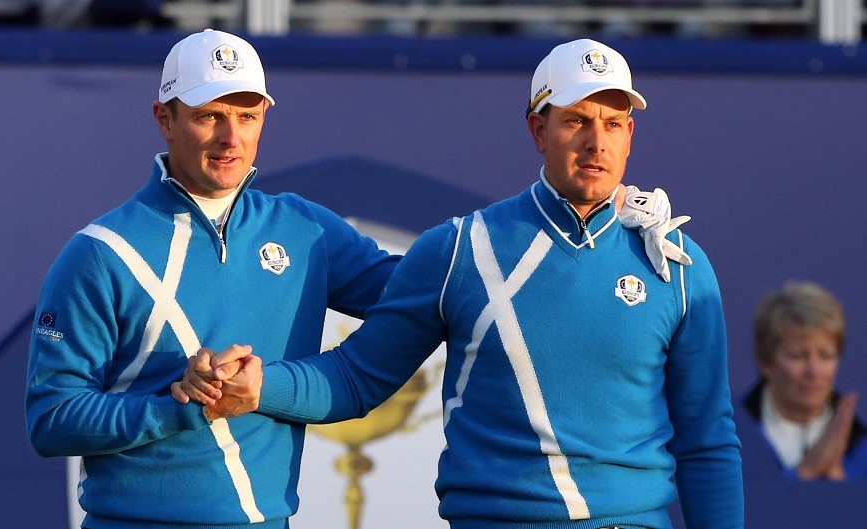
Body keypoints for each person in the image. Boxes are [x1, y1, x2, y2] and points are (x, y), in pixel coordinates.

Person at [178, 38, 744, 528]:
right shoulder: (460, 249)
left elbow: (707, 440)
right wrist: (260, 387)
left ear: (630, 135)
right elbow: (355, 378)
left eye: (613, 124)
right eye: (576, 120)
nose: (597, 142)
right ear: (537, 129)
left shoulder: (673, 262)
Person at [24, 28, 402, 529]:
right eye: (209, 116)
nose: (231, 138)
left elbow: (418, 296)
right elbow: (52, 421)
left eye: (247, 116)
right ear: (165, 119)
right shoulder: (101, 252)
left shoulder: (306, 230)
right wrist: (179, 403)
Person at [736, 281, 867, 481]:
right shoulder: (728, 437)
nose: (813, 371)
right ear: (765, 361)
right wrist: (806, 473)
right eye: (797, 356)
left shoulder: (860, 445)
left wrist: (845, 489)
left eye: (826, 356)